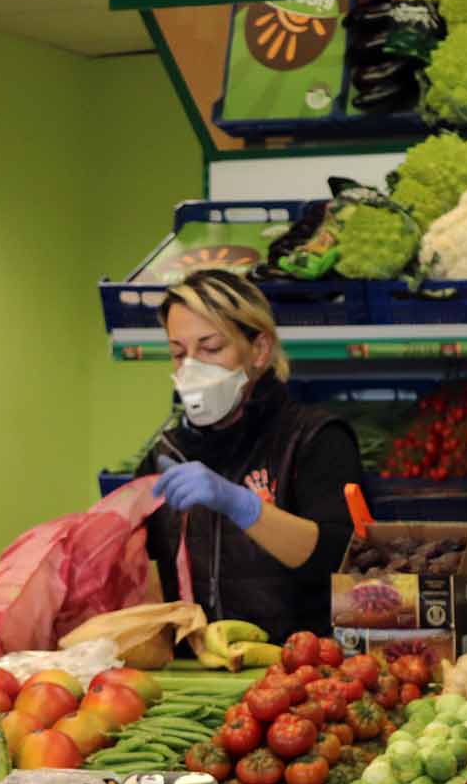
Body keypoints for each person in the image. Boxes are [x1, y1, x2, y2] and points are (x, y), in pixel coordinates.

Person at [138, 269, 360, 642]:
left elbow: (342, 561)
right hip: (197, 667)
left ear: (259, 350)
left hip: (303, 670)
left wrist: (245, 507)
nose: (191, 367)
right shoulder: (165, 455)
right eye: (179, 353)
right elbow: (145, 579)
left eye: (211, 349)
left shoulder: (314, 438)